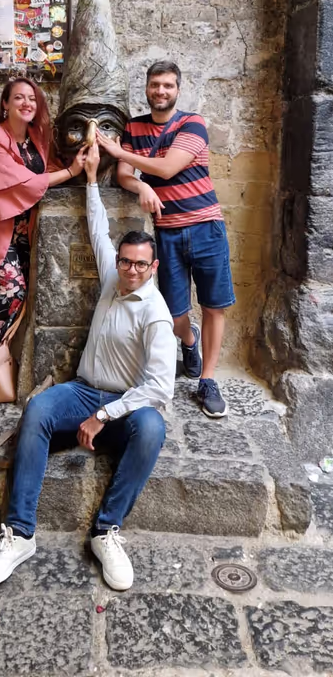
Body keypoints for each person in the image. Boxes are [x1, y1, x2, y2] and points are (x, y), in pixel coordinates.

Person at [0, 141, 176, 591]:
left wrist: (104, 415)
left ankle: (106, 532)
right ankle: (19, 535)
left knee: (153, 429)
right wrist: (88, 180)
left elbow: (161, 388)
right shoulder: (112, 277)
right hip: (84, 390)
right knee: (41, 408)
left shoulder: (156, 314)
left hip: (124, 406)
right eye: (125, 261)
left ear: (152, 267)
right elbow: (98, 230)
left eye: (139, 265)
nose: (128, 269)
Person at [97, 60, 235, 420]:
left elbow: (169, 167)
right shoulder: (135, 127)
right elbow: (127, 176)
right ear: (146, 88)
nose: (161, 91)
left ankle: (207, 380)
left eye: (168, 86)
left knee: (213, 305)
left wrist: (118, 152)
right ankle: (188, 342)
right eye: (155, 85)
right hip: (167, 231)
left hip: (206, 226)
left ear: (177, 89)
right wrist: (140, 183)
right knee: (175, 313)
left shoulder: (192, 123)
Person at [0, 78, 85, 402]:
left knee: (0, 305)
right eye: (18, 98)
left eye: (31, 98)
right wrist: (70, 172)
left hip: (24, 234)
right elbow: (24, 182)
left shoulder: (37, 137)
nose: (26, 103)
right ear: (5, 104)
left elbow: (47, 169)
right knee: (10, 294)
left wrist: (78, 163)